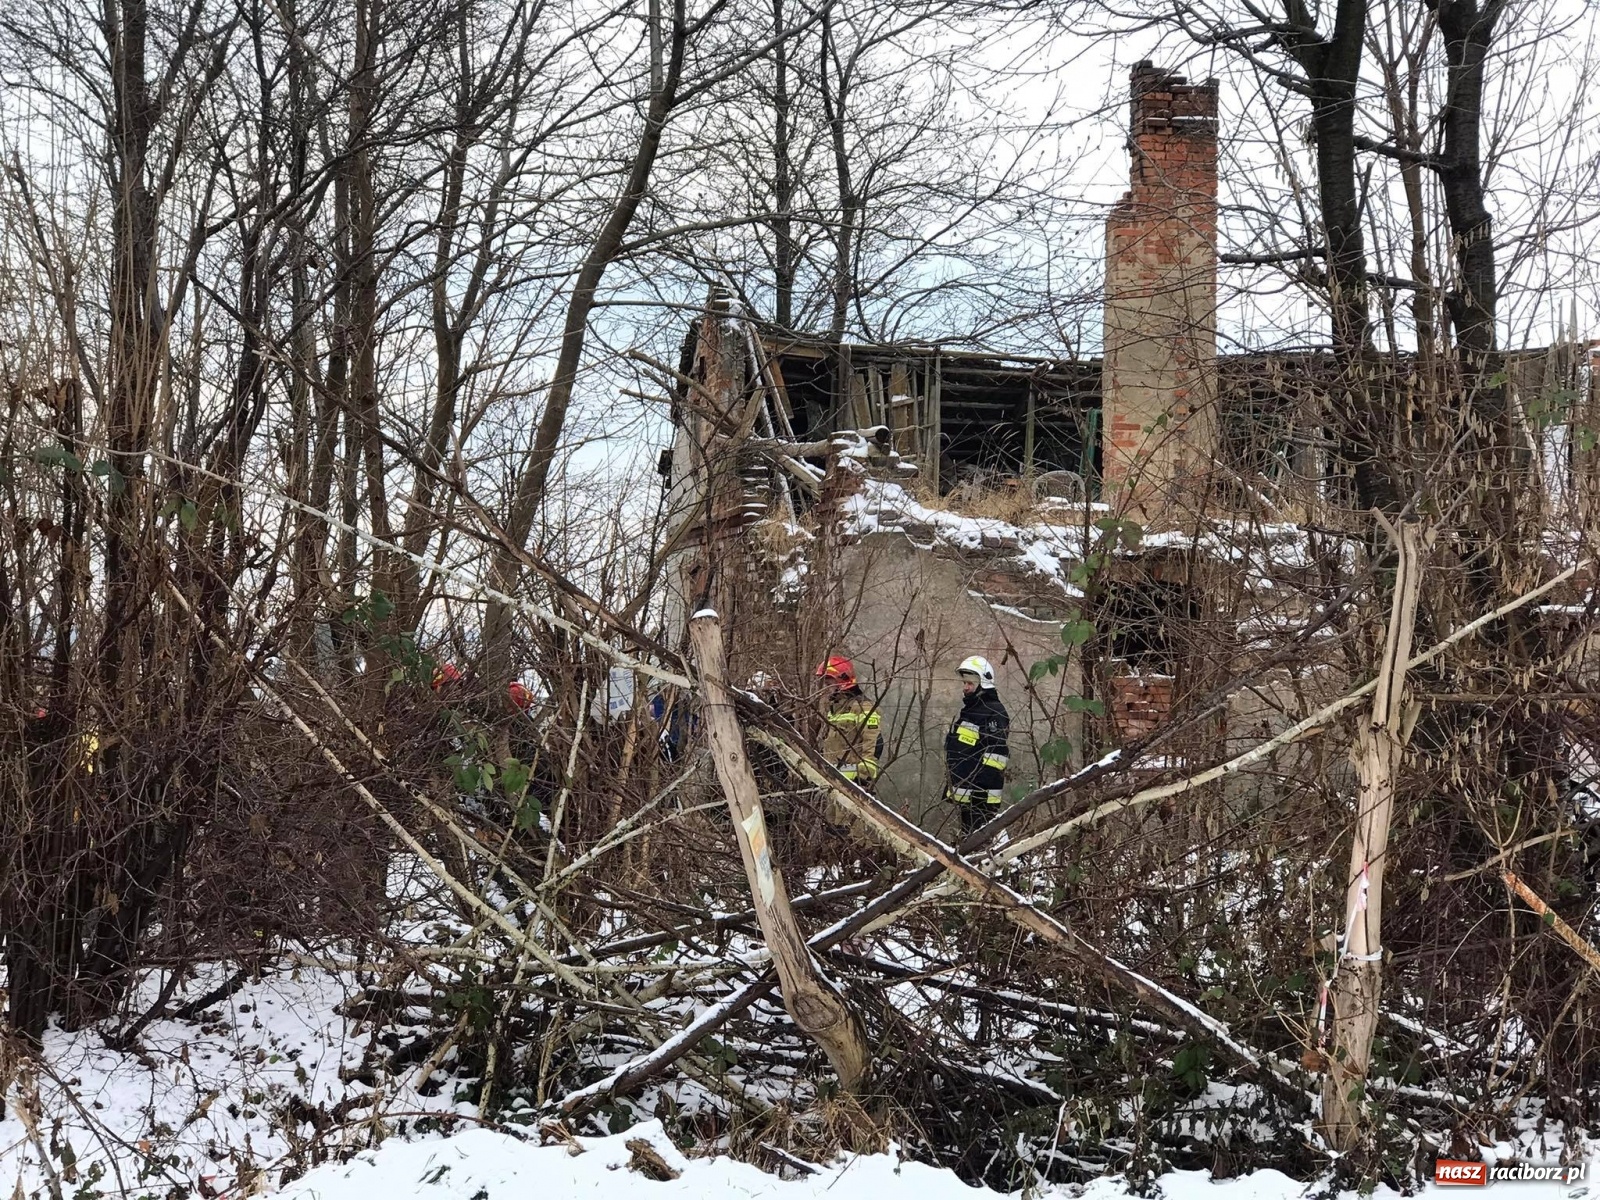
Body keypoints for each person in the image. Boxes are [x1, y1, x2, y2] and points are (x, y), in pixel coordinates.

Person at [944, 655, 1010, 835]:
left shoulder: (993, 712)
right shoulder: (971, 710)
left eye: (970, 683)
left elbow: (996, 756)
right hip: (967, 797)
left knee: (981, 843)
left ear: (984, 683)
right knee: (968, 843)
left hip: (980, 801)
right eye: (964, 683)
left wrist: (980, 795)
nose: (965, 687)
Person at [815, 656, 882, 789]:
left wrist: (861, 775)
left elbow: (874, 743)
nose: (826, 688)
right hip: (833, 780)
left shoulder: (862, 707)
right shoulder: (836, 708)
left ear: (841, 681)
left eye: (829, 684)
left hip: (852, 784)